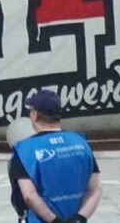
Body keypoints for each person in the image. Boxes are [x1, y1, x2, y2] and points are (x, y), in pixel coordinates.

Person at [10, 90, 102, 223]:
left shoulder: (23, 149)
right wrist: (79, 218)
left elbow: (29, 196)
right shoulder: (81, 143)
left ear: (35, 115)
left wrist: (54, 221)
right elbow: (95, 189)